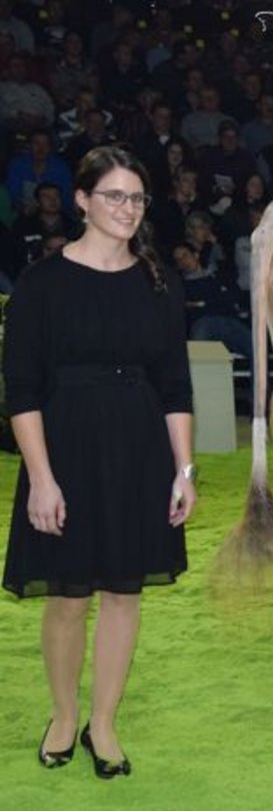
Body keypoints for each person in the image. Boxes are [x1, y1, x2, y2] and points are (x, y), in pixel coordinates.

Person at [3, 145, 196, 777]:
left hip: (138, 450)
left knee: (123, 592)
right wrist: (41, 479)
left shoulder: (158, 281)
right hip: (65, 449)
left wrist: (183, 470)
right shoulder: (41, 283)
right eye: (114, 195)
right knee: (67, 597)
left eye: (137, 198)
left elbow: (175, 387)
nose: (128, 209)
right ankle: (64, 714)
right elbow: (22, 391)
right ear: (81, 200)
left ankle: (103, 725)